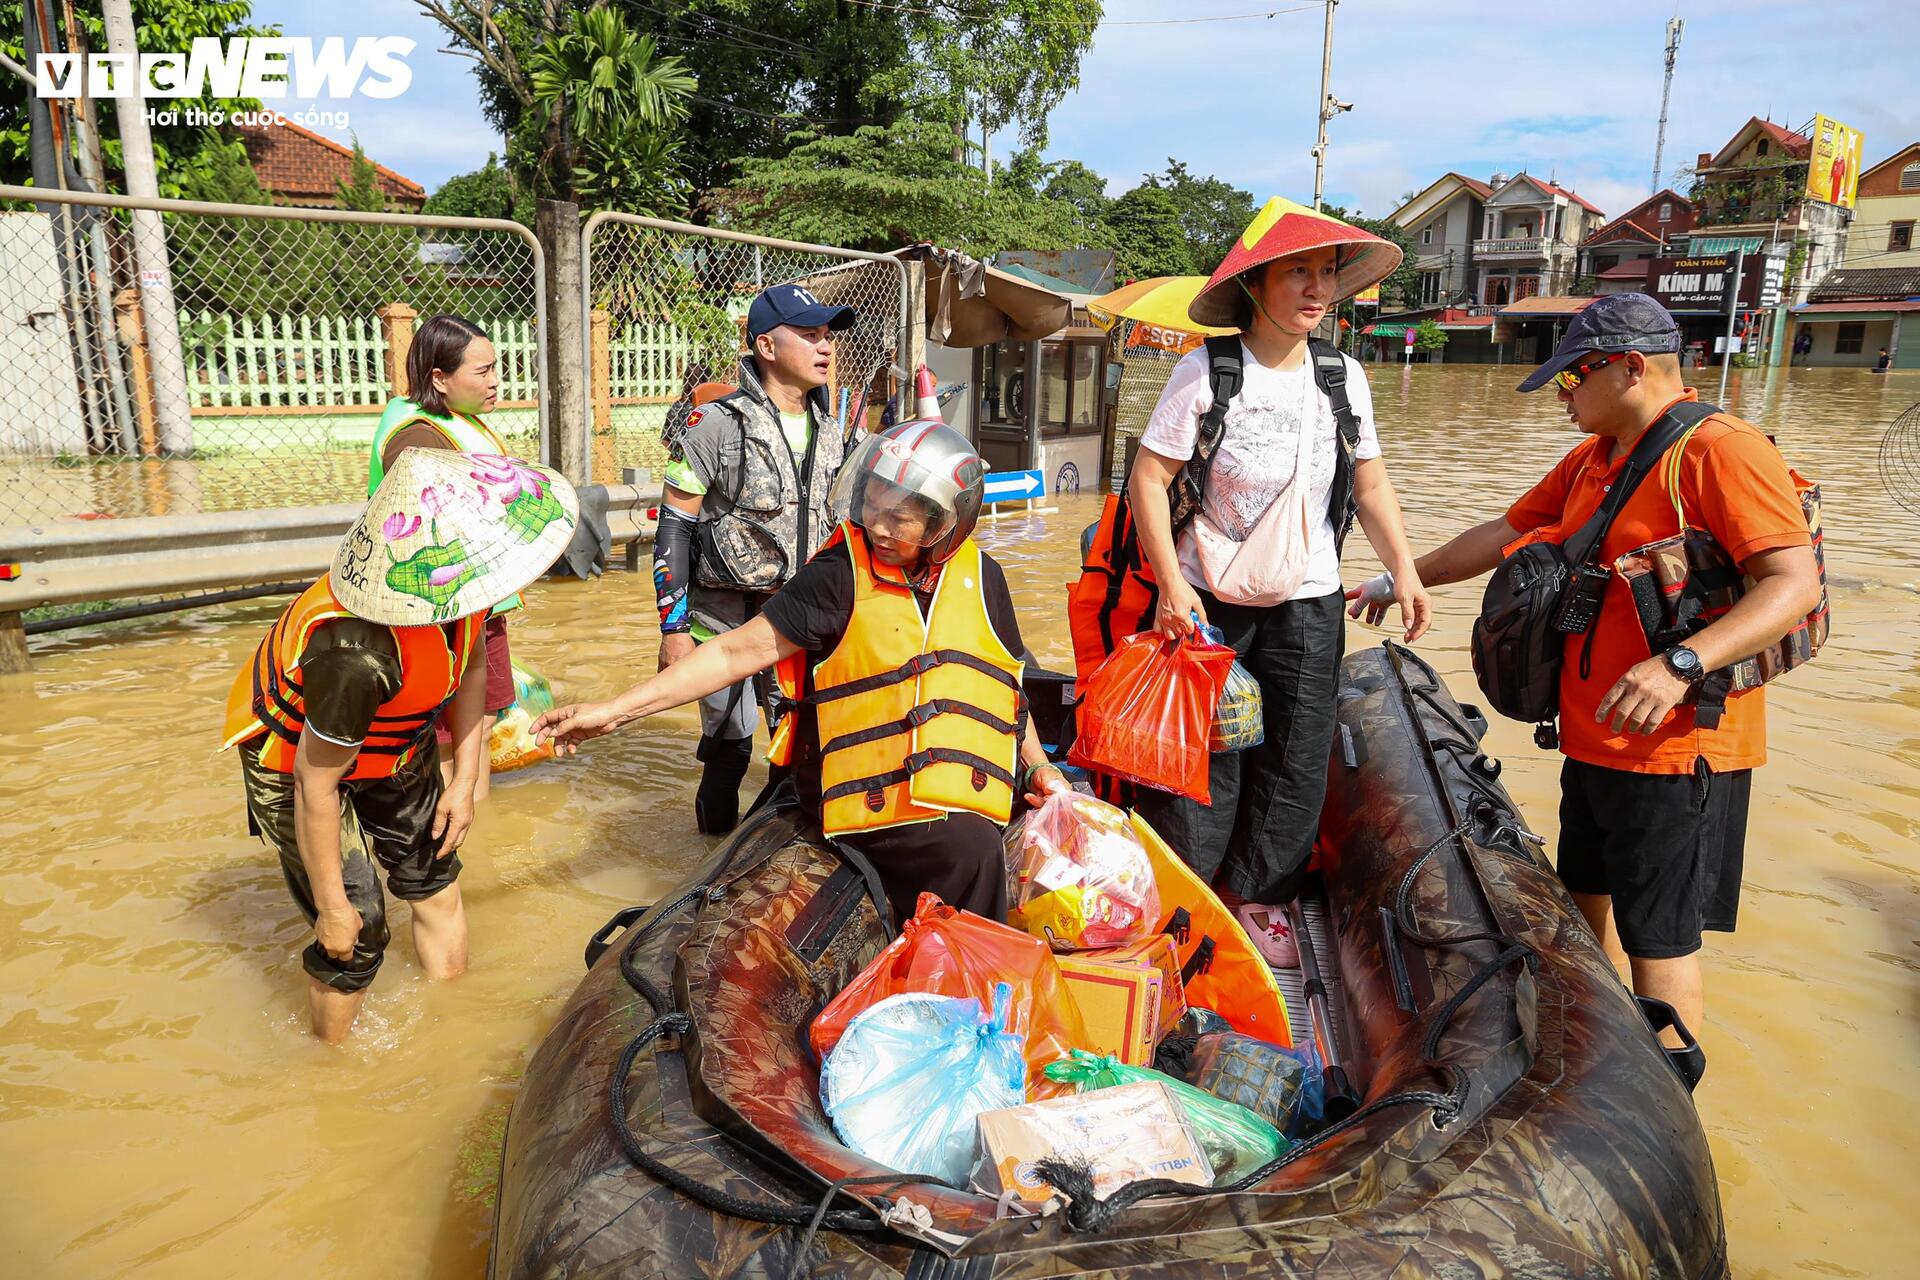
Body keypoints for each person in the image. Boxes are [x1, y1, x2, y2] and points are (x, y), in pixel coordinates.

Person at [1352, 293, 1821, 1048]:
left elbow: (1794, 585)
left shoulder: (1721, 452)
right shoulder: (1592, 460)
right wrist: (1399, 578)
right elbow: (1503, 533)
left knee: (1660, 939)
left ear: (1631, 368)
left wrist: (1679, 664)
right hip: (1594, 735)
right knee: (1581, 904)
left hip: (1677, 750)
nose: (1564, 396)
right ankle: (1592, 1055)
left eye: (1575, 379)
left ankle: (1674, 1103)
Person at [537, 419, 1070, 925]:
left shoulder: (984, 577)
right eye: (872, 507)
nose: (878, 527)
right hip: (864, 797)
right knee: (970, 848)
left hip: (963, 787)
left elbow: (1004, 688)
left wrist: (1038, 768)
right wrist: (613, 711)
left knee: (997, 833)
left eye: (900, 518)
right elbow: (732, 654)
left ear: (944, 525)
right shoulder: (838, 576)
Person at [1123, 196, 1433, 960]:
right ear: (1257, 284)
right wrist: (1170, 583)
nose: (1317, 289)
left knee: (1296, 755)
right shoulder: (1208, 370)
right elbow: (1149, 480)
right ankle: (1191, 900)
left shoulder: (1343, 377)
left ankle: (1258, 901)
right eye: (1298, 272)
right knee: (1206, 757)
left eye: (1327, 274)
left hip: (1309, 598)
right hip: (1208, 600)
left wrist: (1405, 570)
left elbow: (1370, 484)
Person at [222, 449, 579, 1043]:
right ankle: (332, 1078)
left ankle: (453, 1032)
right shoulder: (355, 655)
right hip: (299, 762)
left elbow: (463, 671)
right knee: (356, 934)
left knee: (436, 873)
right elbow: (315, 784)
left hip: (395, 736)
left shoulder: (459, 587)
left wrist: (465, 781)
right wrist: (335, 911)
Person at [656, 284, 860, 835]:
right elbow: (675, 526)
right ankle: (705, 871)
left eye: (826, 336)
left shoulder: (835, 430)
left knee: (798, 745)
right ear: (766, 347)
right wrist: (673, 629)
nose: (825, 347)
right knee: (728, 743)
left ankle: (773, 867)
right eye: (809, 335)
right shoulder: (716, 424)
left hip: (798, 615)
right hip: (721, 615)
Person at [370, 314, 520, 804]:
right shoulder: (418, 441)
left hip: (478, 607)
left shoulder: (456, 420)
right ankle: (450, 833)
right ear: (439, 377)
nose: (496, 381)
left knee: (479, 720)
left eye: (496, 367)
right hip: (440, 612)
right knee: (449, 735)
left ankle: (466, 821)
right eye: (482, 372)